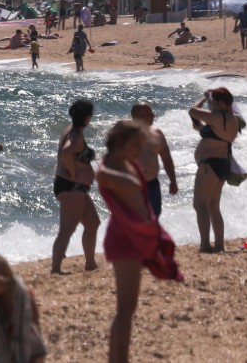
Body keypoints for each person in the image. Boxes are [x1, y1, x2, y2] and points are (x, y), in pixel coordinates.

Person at [96, 119, 183, 363]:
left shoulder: (123, 163)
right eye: (137, 145)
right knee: (125, 310)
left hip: (135, 236)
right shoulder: (110, 168)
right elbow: (105, 177)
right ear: (122, 142)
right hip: (126, 239)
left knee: (127, 309)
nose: (140, 150)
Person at [188, 87, 243, 253]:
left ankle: (205, 245)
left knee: (200, 205)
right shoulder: (231, 119)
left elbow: (192, 110)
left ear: (220, 102)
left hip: (209, 165)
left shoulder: (218, 117)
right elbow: (212, 133)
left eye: (212, 103)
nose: (210, 106)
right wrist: (200, 127)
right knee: (213, 206)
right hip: (222, 164)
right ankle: (219, 245)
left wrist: (203, 98)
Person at [51, 99, 99, 274]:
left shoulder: (72, 131)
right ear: (87, 118)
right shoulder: (76, 136)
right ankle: (55, 268)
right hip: (71, 186)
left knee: (93, 222)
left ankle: (91, 263)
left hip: (75, 188)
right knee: (66, 229)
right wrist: (72, 173)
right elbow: (66, 152)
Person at [130, 102, 177, 217]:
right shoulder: (125, 135)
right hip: (132, 186)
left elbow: (166, 158)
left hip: (152, 184)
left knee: (153, 218)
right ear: (138, 116)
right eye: (149, 114)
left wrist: (173, 181)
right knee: (135, 220)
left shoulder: (157, 134)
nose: (153, 116)